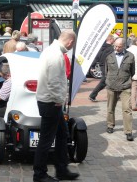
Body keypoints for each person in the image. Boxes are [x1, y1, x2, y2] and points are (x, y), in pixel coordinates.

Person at [33, 29, 79, 182]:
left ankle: (61, 168)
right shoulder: (55, 55)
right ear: (70, 42)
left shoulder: (52, 51)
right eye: (73, 45)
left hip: (51, 101)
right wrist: (59, 100)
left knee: (62, 135)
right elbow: (53, 82)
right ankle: (39, 174)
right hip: (51, 102)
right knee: (46, 139)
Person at [105, 38, 135, 141]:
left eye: (119, 46)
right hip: (111, 86)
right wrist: (108, 81)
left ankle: (128, 131)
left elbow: (133, 71)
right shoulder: (109, 56)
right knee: (110, 107)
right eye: (115, 46)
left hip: (125, 86)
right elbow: (106, 70)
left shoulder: (130, 56)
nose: (117, 48)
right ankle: (110, 125)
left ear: (124, 46)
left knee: (127, 109)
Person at [89, 34, 115, 102]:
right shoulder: (111, 48)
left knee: (107, 80)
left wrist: (93, 65)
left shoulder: (101, 47)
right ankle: (92, 95)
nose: (114, 40)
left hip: (102, 65)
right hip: (107, 66)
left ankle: (113, 95)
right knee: (104, 81)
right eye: (113, 39)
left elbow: (96, 57)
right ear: (110, 39)